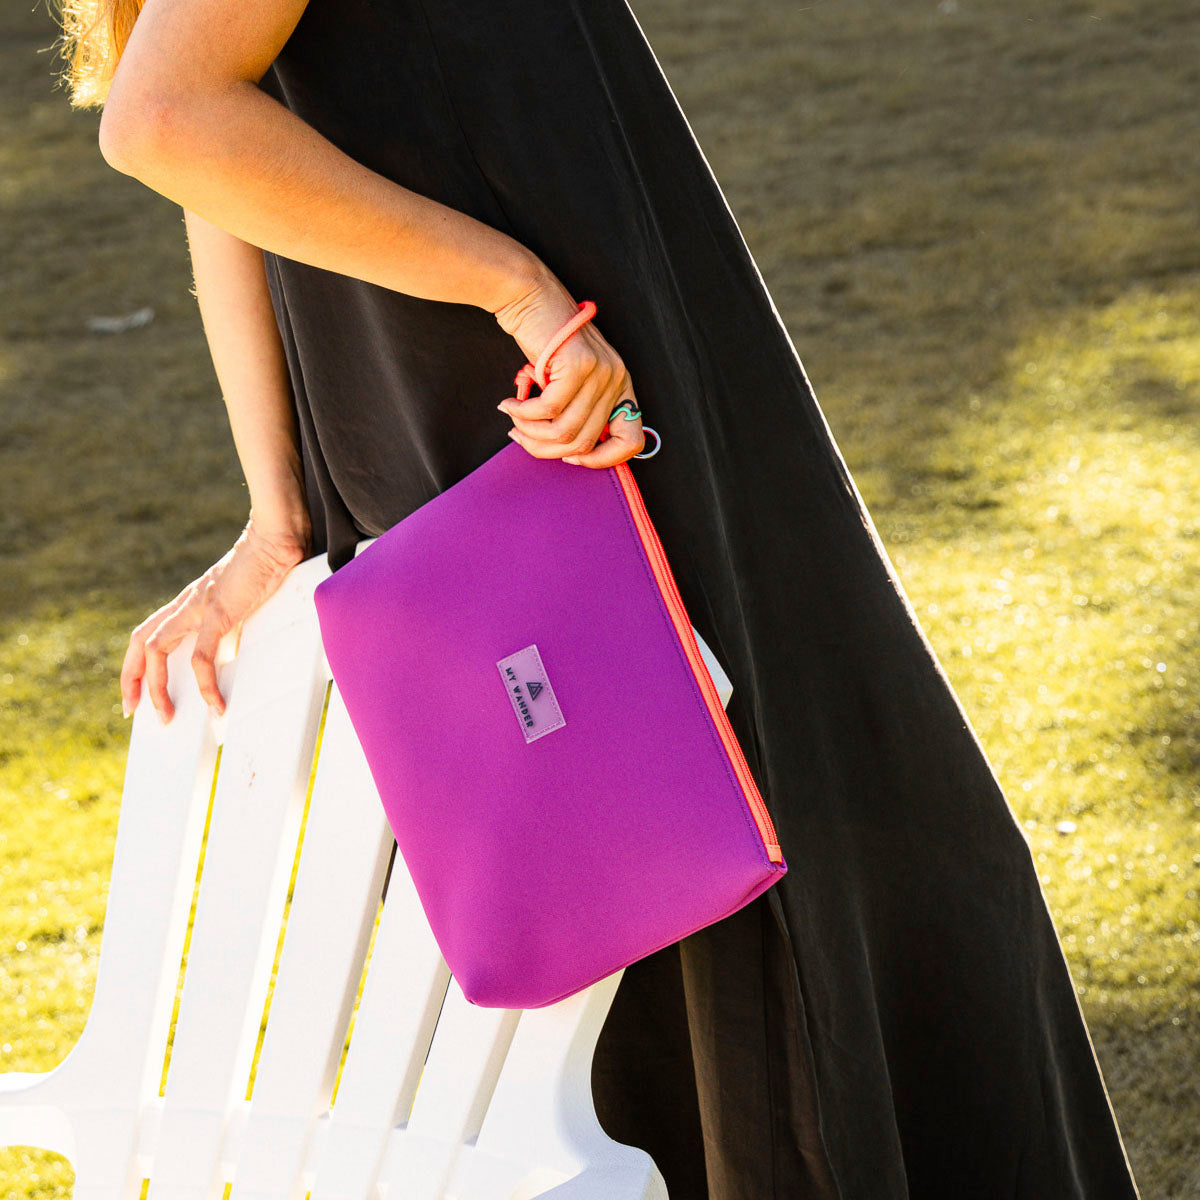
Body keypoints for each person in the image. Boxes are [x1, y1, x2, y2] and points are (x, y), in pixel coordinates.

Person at [54, 0, 1143, 1196]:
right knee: (775, 900)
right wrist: (517, 292)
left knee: (812, 875)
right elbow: (169, 122)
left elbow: (214, 129)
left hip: (588, 389)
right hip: (554, 416)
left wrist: (282, 515)